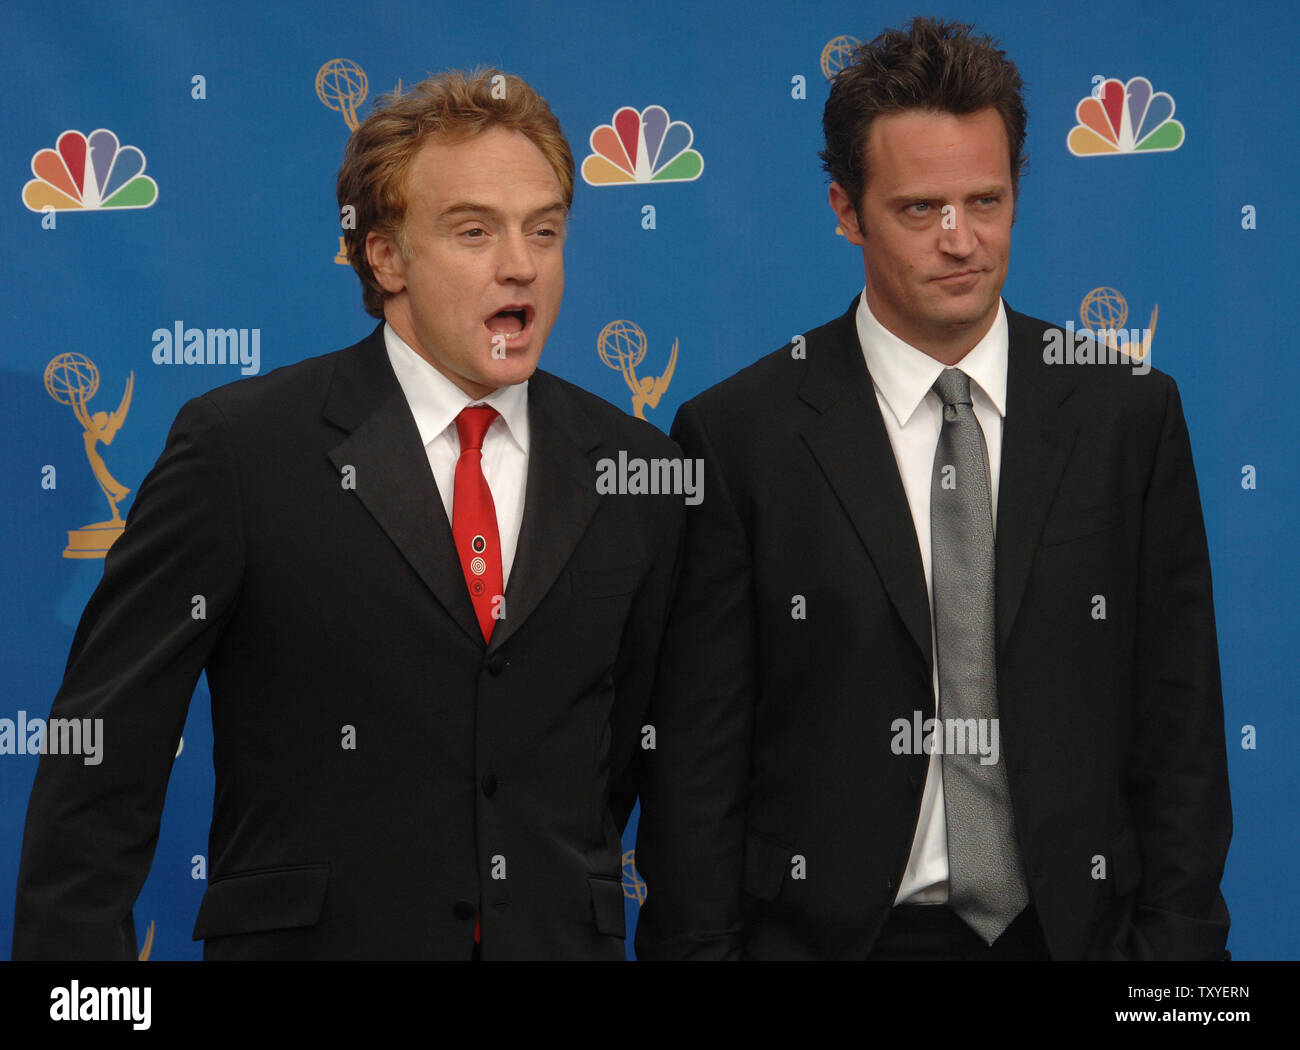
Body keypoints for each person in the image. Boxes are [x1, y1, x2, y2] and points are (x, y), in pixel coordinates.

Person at [14, 69, 683, 961]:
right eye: (474, 230)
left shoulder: (638, 470)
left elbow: (635, 760)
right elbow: (104, 760)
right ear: (386, 257)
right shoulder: (241, 451)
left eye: (545, 230)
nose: (520, 263)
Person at [634, 17, 1231, 961]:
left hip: (1080, 941)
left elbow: (1182, 731)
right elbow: (696, 772)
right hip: (836, 942)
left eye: (985, 200)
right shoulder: (738, 436)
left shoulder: (1131, 415)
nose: (962, 240)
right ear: (845, 208)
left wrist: (1177, 978)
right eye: (920, 210)